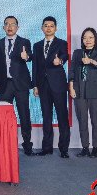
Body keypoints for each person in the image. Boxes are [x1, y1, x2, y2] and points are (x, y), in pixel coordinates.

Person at [0, 16, 34, 156]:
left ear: (17, 27)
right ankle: (5, 144)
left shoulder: (24, 42)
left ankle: (27, 144)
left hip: (21, 84)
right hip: (4, 84)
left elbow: (30, 56)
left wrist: (26, 57)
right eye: (7, 24)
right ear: (3, 27)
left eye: (13, 24)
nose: (10, 27)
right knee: (3, 116)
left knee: (24, 115)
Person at [32, 16, 70, 158]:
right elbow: (35, 66)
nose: (48, 28)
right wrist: (35, 85)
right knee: (46, 116)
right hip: (43, 85)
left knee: (62, 116)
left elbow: (65, 56)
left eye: (51, 26)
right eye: (46, 25)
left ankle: (64, 149)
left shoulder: (62, 43)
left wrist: (60, 60)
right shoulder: (36, 45)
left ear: (56, 28)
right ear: (42, 28)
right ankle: (46, 148)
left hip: (58, 85)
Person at [68, 28, 97, 158]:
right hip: (78, 90)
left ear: (95, 39)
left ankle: (95, 148)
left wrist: (91, 61)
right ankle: (85, 147)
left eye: (90, 37)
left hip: (94, 91)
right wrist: (71, 87)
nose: (87, 40)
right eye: (85, 38)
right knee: (82, 120)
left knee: (96, 120)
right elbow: (72, 70)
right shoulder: (77, 53)